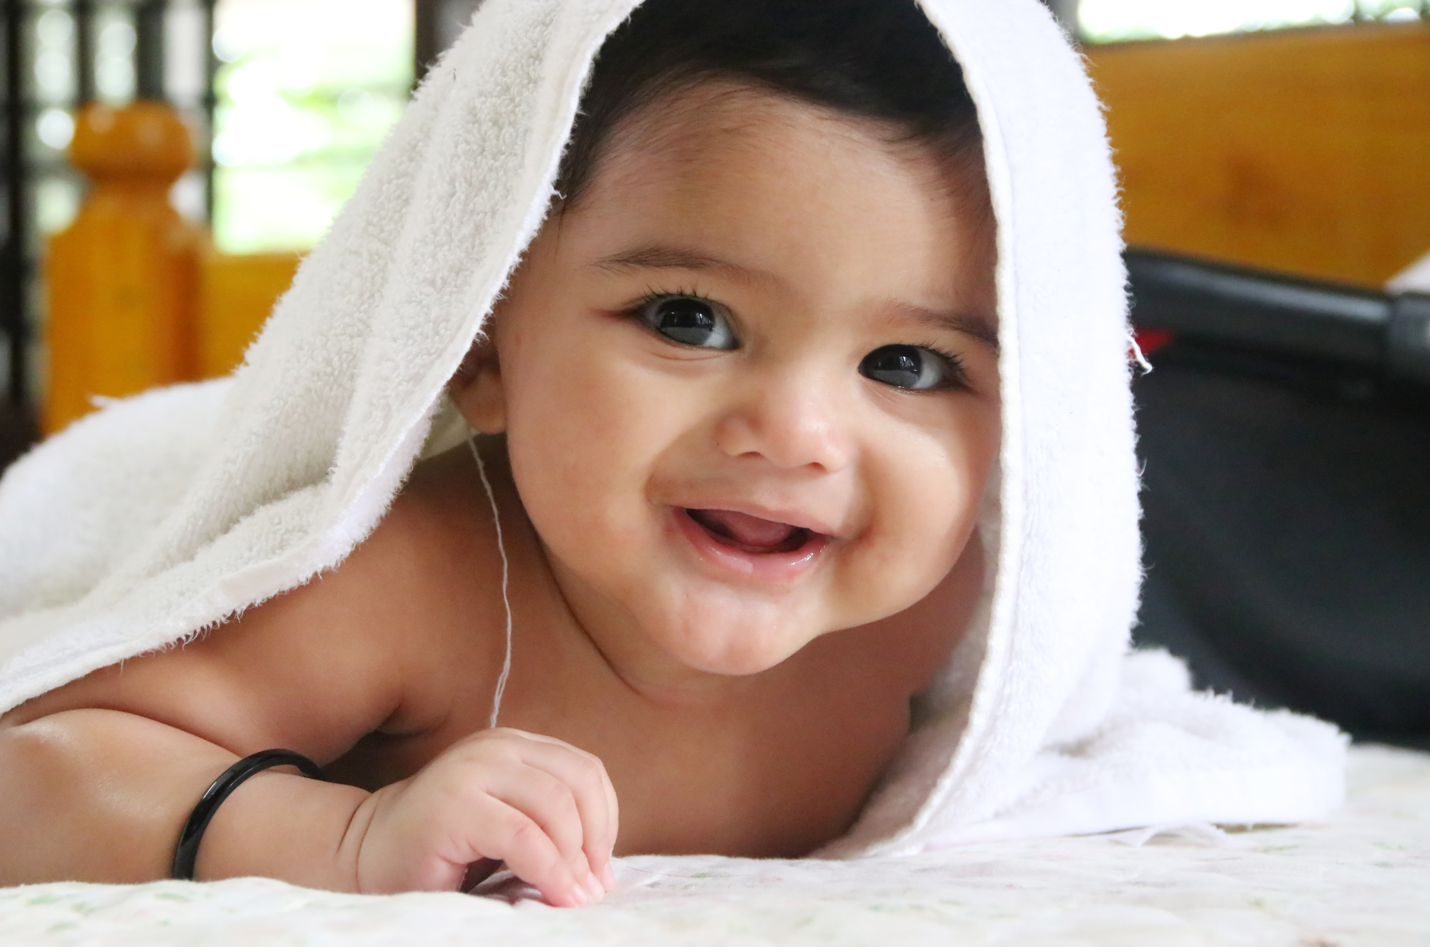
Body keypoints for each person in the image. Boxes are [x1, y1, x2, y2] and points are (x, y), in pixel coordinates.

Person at [0, 0, 1345, 910]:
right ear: (477, 334)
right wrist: (337, 835)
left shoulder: (956, 624)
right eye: (689, 320)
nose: (798, 435)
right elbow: (45, 758)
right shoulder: (403, 581)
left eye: (910, 364)